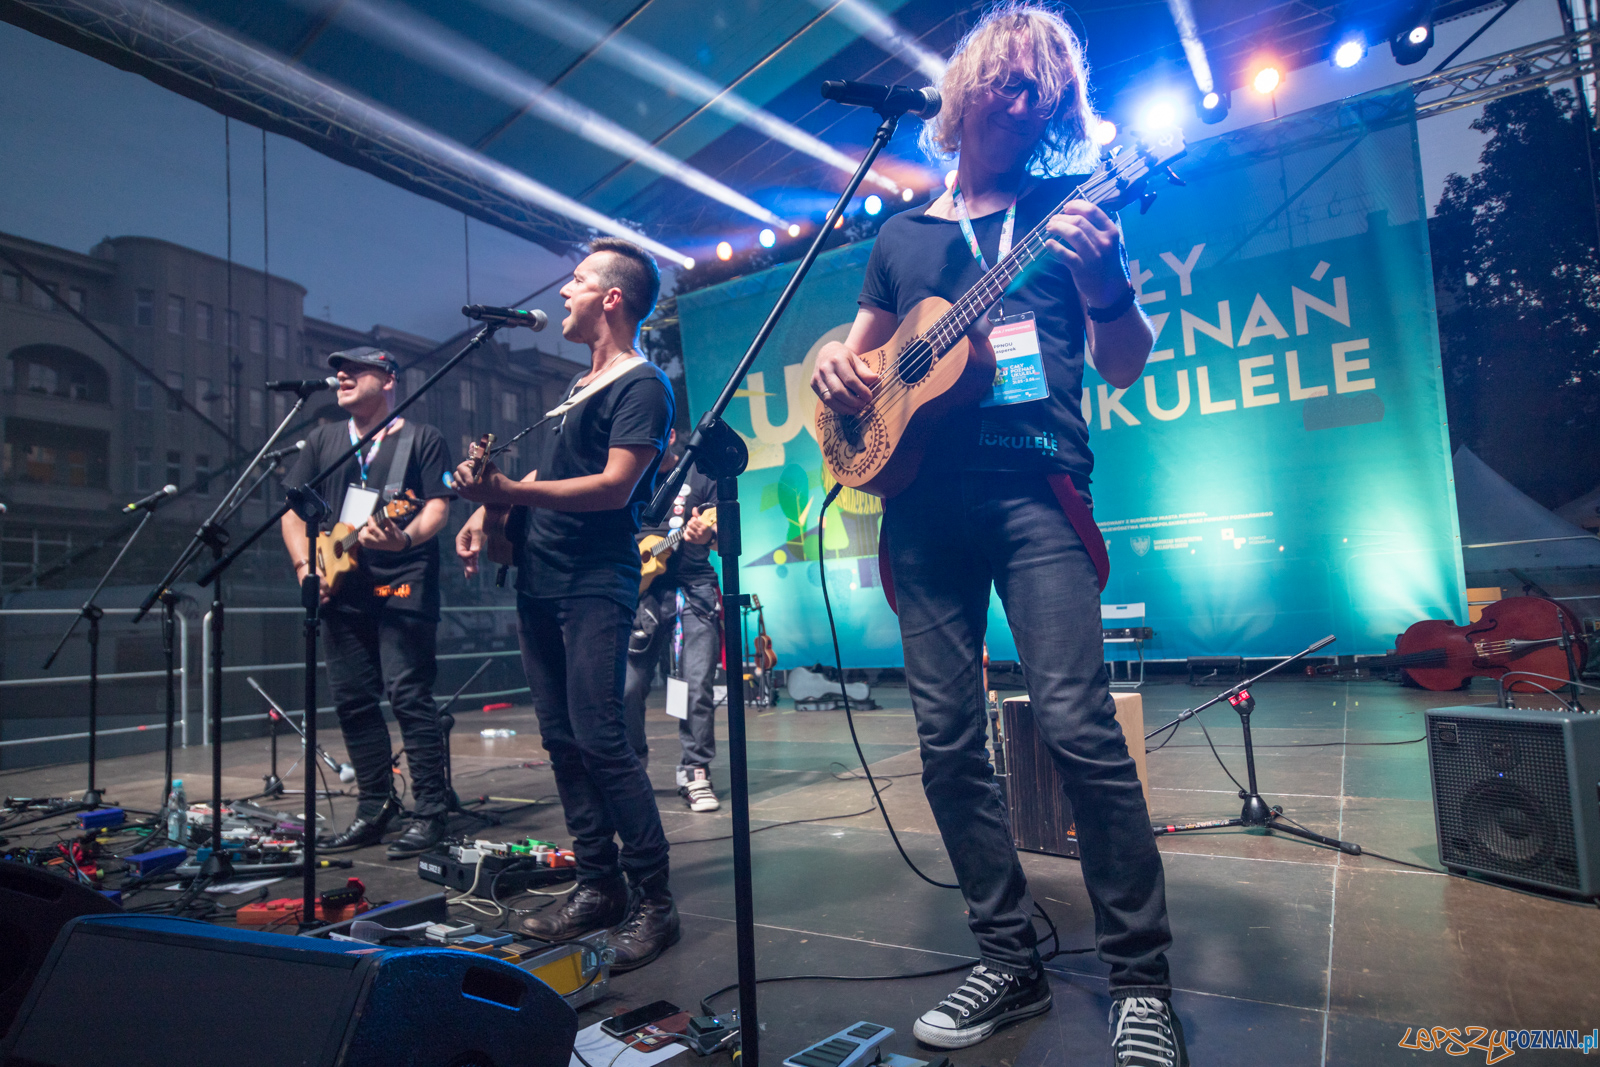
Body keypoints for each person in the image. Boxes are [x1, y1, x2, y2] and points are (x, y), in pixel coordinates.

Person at [810, 7, 1185, 1064]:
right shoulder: (901, 237)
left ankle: (1140, 979)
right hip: (922, 505)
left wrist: (1106, 283)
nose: (1025, 103)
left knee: (1077, 724)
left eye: (1044, 93)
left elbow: (1123, 362)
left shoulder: (1072, 208)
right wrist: (837, 364)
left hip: (1035, 490)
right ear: (968, 87)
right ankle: (1008, 955)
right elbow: (856, 362)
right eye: (1010, 82)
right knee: (945, 740)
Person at [452, 237, 679, 972]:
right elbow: (546, 484)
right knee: (560, 738)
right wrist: (489, 508)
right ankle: (597, 885)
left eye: (576, 281)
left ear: (612, 297)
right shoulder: (576, 388)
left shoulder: (642, 385)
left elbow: (613, 488)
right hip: (540, 579)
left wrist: (507, 490)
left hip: (593, 580)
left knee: (602, 738)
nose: (562, 292)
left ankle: (655, 902)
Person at [279, 346, 456, 859]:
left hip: (403, 580)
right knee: (353, 700)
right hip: (340, 586)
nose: (342, 376)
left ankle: (430, 811)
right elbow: (292, 513)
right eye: (339, 371)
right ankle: (374, 807)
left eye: (356, 370)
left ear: (389, 379)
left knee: (408, 694)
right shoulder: (323, 440)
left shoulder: (421, 438)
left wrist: (405, 538)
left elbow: (437, 507)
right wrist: (305, 567)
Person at [623, 431, 721, 812]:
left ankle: (696, 769)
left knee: (695, 685)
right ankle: (633, 763)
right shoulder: (630, 475)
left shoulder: (700, 472)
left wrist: (706, 532)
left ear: (672, 434)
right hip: (642, 595)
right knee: (627, 687)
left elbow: (722, 529)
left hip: (694, 589)